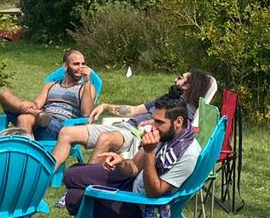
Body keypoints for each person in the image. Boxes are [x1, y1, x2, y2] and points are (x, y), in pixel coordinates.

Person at [57, 95, 201, 218]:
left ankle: (89, 195)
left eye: (159, 122)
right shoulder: (168, 135)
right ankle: (94, 192)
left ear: (179, 122)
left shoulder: (187, 154)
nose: (153, 127)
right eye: (154, 120)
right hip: (132, 183)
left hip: (143, 209)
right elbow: (133, 167)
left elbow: (154, 193)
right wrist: (121, 162)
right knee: (70, 174)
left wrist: (150, 152)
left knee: (73, 197)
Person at [49, 68, 217, 167]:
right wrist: (105, 106)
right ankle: (44, 178)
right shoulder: (166, 98)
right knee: (67, 132)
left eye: (180, 78)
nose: (175, 79)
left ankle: (84, 185)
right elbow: (134, 110)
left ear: (188, 85)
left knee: (105, 139)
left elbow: (175, 131)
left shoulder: (186, 110)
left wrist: (151, 123)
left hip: (137, 136)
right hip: (124, 126)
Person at [0, 48, 96, 138]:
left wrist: (87, 81)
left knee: (24, 118)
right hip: (40, 118)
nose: (81, 67)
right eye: (76, 64)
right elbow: (37, 104)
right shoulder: (50, 85)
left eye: (83, 64)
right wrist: (30, 107)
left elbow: (86, 113)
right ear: (65, 66)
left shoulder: (86, 88)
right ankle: (37, 114)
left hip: (60, 127)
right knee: (3, 93)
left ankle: (26, 155)